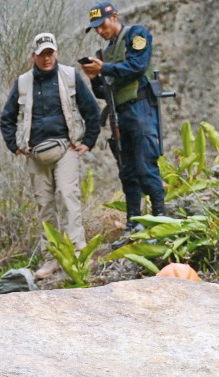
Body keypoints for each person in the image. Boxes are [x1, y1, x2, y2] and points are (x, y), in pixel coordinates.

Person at [1, 31, 101, 280]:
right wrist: (14, 146)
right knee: (45, 207)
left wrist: (88, 141)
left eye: (50, 53)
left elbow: (92, 110)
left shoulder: (69, 76)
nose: (46, 58)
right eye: (41, 54)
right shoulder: (23, 83)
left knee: (68, 197)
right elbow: (7, 117)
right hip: (35, 153)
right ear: (33, 56)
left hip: (66, 148)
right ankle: (51, 258)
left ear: (56, 52)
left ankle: (77, 255)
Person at [81, 1, 167, 241]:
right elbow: (102, 92)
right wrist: (95, 77)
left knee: (145, 164)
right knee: (127, 171)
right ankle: (134, 221)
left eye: (102, 25)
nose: (100, 31)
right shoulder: (106, 53)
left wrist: (105, 68)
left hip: (140, 108)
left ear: (115, 17)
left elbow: (137, 66)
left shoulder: (136, 35)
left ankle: (161, 218)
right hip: (119, 115)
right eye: (95, 28)